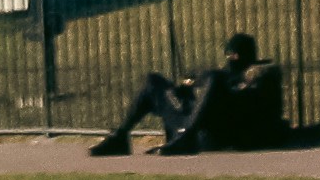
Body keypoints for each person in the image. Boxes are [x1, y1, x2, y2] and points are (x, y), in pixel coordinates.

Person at [87, 32, 294, 156]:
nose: (231, 59)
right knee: (153, 81)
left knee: (213, 78)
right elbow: (203, 81)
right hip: (190, 114)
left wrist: (205, 80)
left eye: (235, 55)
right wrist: (188, 86)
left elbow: (241, 104)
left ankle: (186, 136)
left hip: (212, 130)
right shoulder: (219, 75)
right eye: (229, 54)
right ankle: (120, 137)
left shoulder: (254, 79)